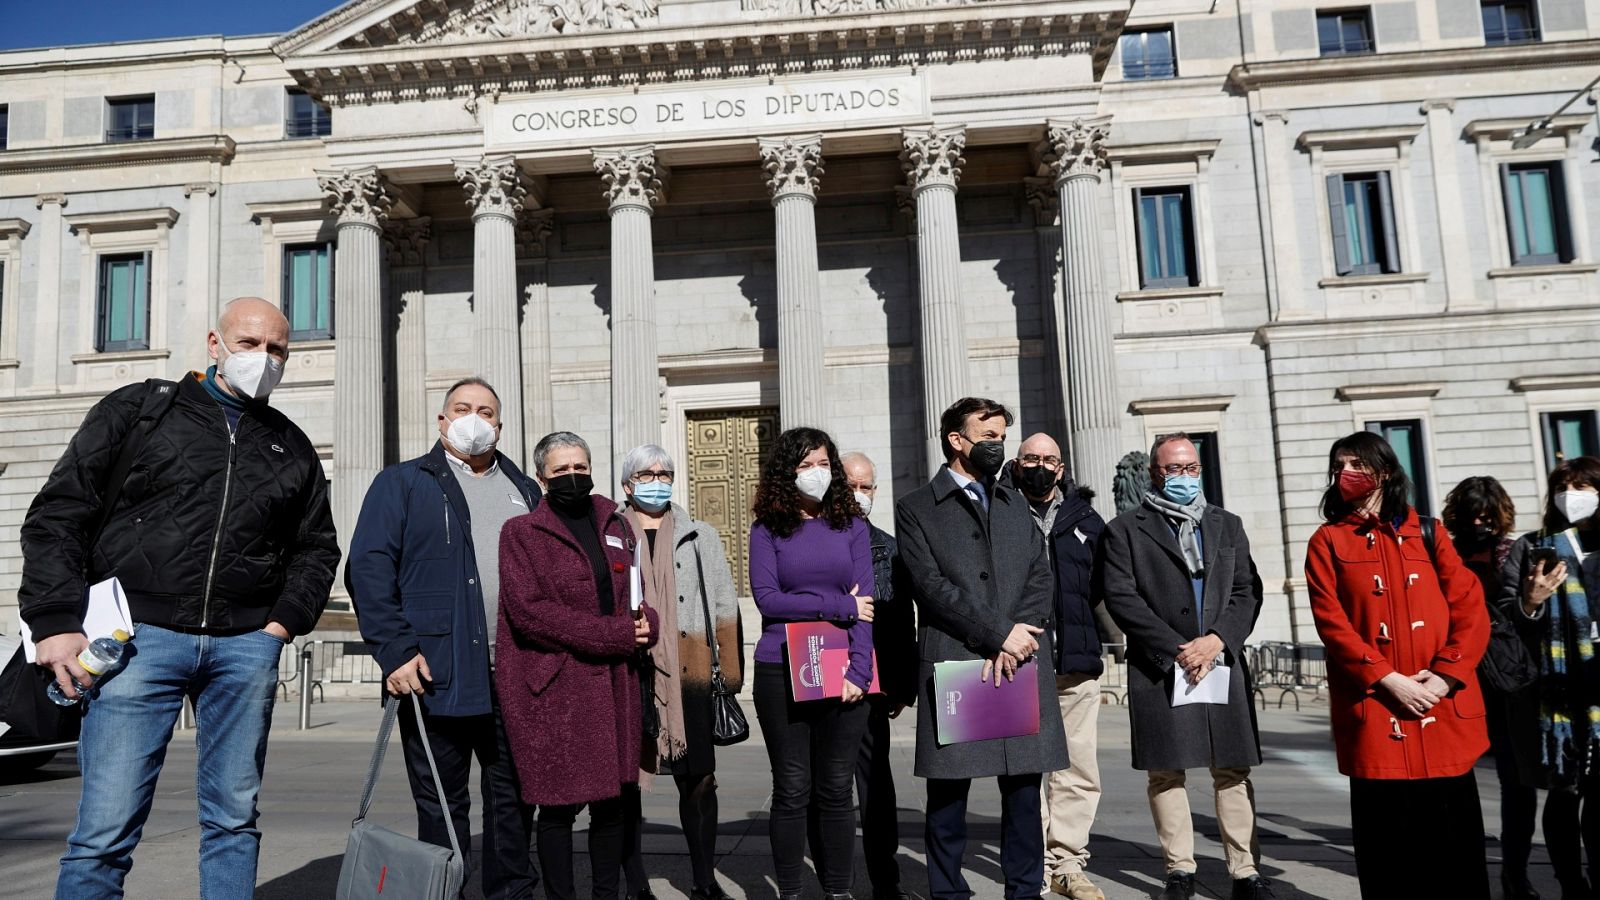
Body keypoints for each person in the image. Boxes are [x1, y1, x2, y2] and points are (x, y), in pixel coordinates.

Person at [19, 297, 340, 900]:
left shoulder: (290, 445)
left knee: (234, 821)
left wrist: (282, 625)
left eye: (277, 350)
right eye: (250, 344)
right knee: (104, 832)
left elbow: (317, 548)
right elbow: (59, 513)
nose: (263, 360)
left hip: (244, 646)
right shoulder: (140, 409)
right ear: (215, 345)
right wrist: (55, 619)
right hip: (137, 641)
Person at [347, 377, 541, 900]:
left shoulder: (526, 490)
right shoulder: (405, 482)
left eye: (485, 411)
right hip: (434, 671)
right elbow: (368, 568)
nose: (473, 418)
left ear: (499, 426)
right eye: (462, 408)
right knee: (440, 804)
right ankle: (443, 891)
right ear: (442, 420)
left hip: (517, 674)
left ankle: (511, 892)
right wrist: (395, 650)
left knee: (514, 799)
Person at [1304, 431, 1490, 900]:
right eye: (1339, 463)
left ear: (1384, 471)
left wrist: (1446, 676)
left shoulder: (1428, 532)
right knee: (1388, 856)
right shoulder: (1327, 541)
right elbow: (1333, 624)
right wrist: (1386, 678)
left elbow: (1470, 609)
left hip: (1441, 711)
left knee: (1457, 855)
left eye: (1356, 463)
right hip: (1377, 713)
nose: (1346, 472)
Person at [895, 398, 1068, 900]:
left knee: (1021, 791)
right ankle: (948, 892)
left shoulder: (1016, 502)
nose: (997, 446)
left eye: (1001, 437)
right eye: (987, 435)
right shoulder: (917, 508)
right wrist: (996, 635)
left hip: (1021, 660)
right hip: (957, 660)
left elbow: (1041, 574)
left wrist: (1020, 635)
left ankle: (1024, 890)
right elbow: (930, 587)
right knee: (949, 798)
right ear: (956, 439)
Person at [1099, 432, 1276, 900]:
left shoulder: (1227, 524)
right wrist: (1179, 649)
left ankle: (1245, 871)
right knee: (1166, 772)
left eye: (1191, 468)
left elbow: (1247, 591)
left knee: (1232, 770)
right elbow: (1121, 598)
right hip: (1163, 664)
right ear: (1155, 473)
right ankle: (1179, 869)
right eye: (1174, 469)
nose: (1184, 477)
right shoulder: (1124, 530)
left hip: (1221, 660)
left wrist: (1217, 640)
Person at [496, 431, 658, 900]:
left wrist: (647, 621)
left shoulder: (617, 524)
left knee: (612, 803)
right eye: (561, 470)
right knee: (560, 806)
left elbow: (636, 593)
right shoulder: (520, 533)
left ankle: (607, 893)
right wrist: (615, 635)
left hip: (615, 683)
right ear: (542, 478)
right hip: (559, 688)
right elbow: (529, 613)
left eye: (580, 468)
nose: (572, 477)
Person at [749, 427, 875, 900]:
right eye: (804, 465)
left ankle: (839, 890)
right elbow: (768, 601)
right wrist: (836, 607)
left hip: (843, 670)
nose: (815, 473)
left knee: (837, 787)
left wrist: (859, 671)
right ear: (786, 473)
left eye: (822, 463)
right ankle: (791, 890)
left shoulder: (853, 528)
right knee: (792, 786)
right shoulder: (767, 530)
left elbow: (868, 606)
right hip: (781, 666)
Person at [615, 443, 741, 900]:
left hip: (689, 669)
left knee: (700, 779)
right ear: (628, 484)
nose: (657, 480)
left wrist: (727, 676)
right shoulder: (609, 532)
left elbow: (725, 605)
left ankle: (704, 879)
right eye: (646, 474)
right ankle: (634, 884)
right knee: (625, 784)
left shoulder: (699, 533)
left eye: (664, 472)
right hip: (629, 670)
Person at [1004, 434, 1107, 900]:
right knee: (1028, 771)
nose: (1040, 466)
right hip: (1021, 664)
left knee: (1078, 769)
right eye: (1031, 458)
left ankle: (1068, 862)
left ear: (1062, 468)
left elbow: (1106, 586)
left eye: (1049, 460)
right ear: (1017, 463)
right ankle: (1036, 868)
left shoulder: (1086, 519)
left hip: (1075, 662)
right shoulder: (998, 511)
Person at [1498, 456, 1600, 900]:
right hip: (1555, 688)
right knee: (1565, 792)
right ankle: (1571, 883)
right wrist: (1530, 602)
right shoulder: (1533, 546)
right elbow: (1502, 618)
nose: (1572, 495)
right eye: (1564, 485)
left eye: (1583, 486)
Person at [1444, 476, 1536, 900]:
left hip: (1507, 678)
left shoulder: (1513, 550)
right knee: (1455, 776)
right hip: (1459, 677)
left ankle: (1514, 873)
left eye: (1486, 515)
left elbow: (1520, 616)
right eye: (1471, 514)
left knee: (1515, 780)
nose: (1479, 522)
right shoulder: (1442, 550)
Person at [839, 451, 919, 900]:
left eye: (867, 486)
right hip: (824, 678)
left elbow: (900, 619)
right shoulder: (811, 543)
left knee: (876, 788)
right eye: (852, 484)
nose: (860, 494)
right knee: (824, 786)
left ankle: (886, 880)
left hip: (871, 683)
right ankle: (836, 882)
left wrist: (903, 683)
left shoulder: (888, 547)